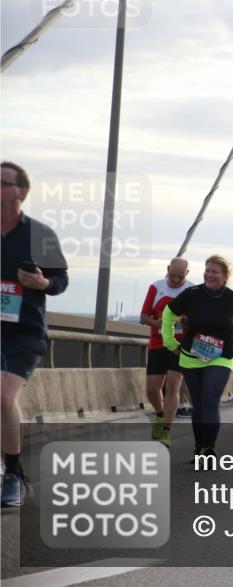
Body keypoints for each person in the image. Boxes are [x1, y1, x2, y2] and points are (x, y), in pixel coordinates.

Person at [1, 162, 68, 507]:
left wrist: (43, 283)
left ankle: (12, 475)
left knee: (2, 394)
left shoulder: (39, 235)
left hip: (24, 331)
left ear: (22, 192)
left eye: (3, 183)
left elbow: (60, 281)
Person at [161, 255, 233, 460]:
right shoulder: (192, 294)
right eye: (207, 270)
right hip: (192, 355)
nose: (209, 274)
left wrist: (221, 337)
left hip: (221, 356)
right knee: (198, 403)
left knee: (210, 399)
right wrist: (170, 342)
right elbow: (168, 314)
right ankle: (199, 447)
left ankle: (209, 448)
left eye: (214, 271)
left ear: (225, 277)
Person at [139, 257, 194, 447]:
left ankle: (166, 431)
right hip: (157, 342)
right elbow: (144, 316)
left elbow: (198, 320)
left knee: (173, 385)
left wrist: (184, 321)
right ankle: (160, 415)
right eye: (173, 275)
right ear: (167, 269)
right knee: (152, 389)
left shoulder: (192, 291)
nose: (176, 280)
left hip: (179, 346)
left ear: (187, 274)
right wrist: (161, 324)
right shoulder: (156, 287)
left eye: (180, 277)